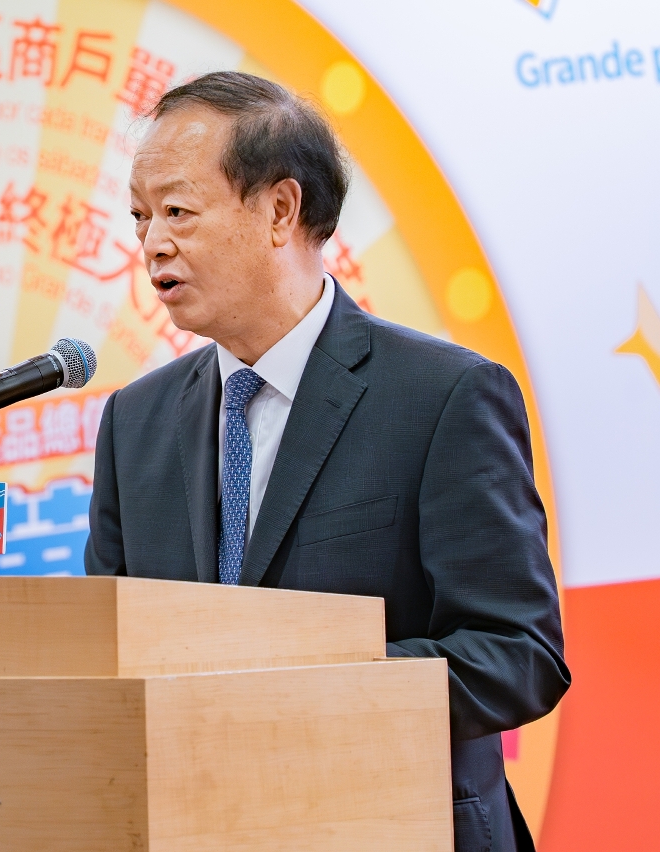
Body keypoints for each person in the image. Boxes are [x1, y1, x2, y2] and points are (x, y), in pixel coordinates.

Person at [83, 71, 570, 852]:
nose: (152, 244)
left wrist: (295, 689)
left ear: (280, 210)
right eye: (140, 217)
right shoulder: (133, 422)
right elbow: (107, 651)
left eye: (177, 211)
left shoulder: (441, 396)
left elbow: (516, 655)